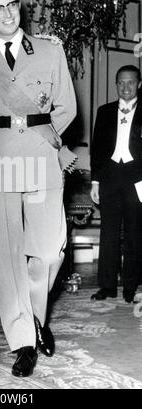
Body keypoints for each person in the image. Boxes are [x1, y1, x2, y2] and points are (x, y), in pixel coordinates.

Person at [0, 0, 76, 377]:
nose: (6, 13)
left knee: (48, 251)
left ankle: (37, 315)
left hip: (42, 160)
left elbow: (66, 108)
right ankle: (23, 339)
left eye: (11, 5)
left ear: (19, 6)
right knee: (8, 256)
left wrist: (44, 143)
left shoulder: (49, 50)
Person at [90, 65, 142, 304]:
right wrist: (95, 181)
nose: (126, 87)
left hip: (137, 180)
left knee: (134, 233)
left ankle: (131, 287)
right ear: (116, 84)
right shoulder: (104, 111)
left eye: (131, 82)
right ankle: (107, 286)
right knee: (108, 234)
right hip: (110, 177)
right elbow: (97, 149)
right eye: (121, 82)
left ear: (139, 84)